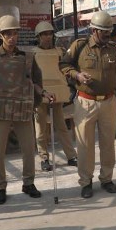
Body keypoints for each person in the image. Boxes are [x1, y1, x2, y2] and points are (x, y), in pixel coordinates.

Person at [0, 15, 47, 205]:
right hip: (0, 111)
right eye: (8, 33)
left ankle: (28, 183)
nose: (12, 37)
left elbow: (35, 82)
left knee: (28, 148)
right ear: (0, 35)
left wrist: (43, 95)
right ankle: (0, 187)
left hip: (22, 109)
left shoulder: (27, 58)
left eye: (15, 33)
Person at [60, 11, 116, 198]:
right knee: (85, 145)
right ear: (94, 30)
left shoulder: (115, 49)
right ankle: (86, 182)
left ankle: (106, 179)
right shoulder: (79, 46)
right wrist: (77, 75)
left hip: (109, 102)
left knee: (108, 144)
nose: (107, 34)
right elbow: (64, 65)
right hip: (85, 102)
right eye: (103, 31)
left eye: (109, 31)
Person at [33, 21, 78, 171]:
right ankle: (44, 158)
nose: (48, 37)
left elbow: (66, 69)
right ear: (38, 37)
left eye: (50, 34)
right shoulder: (33, 53)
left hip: (58, 94)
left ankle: (71, 156)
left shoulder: (60, 52)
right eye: (44, 34)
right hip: (40, 94)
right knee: (41, 128)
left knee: (61, 126)